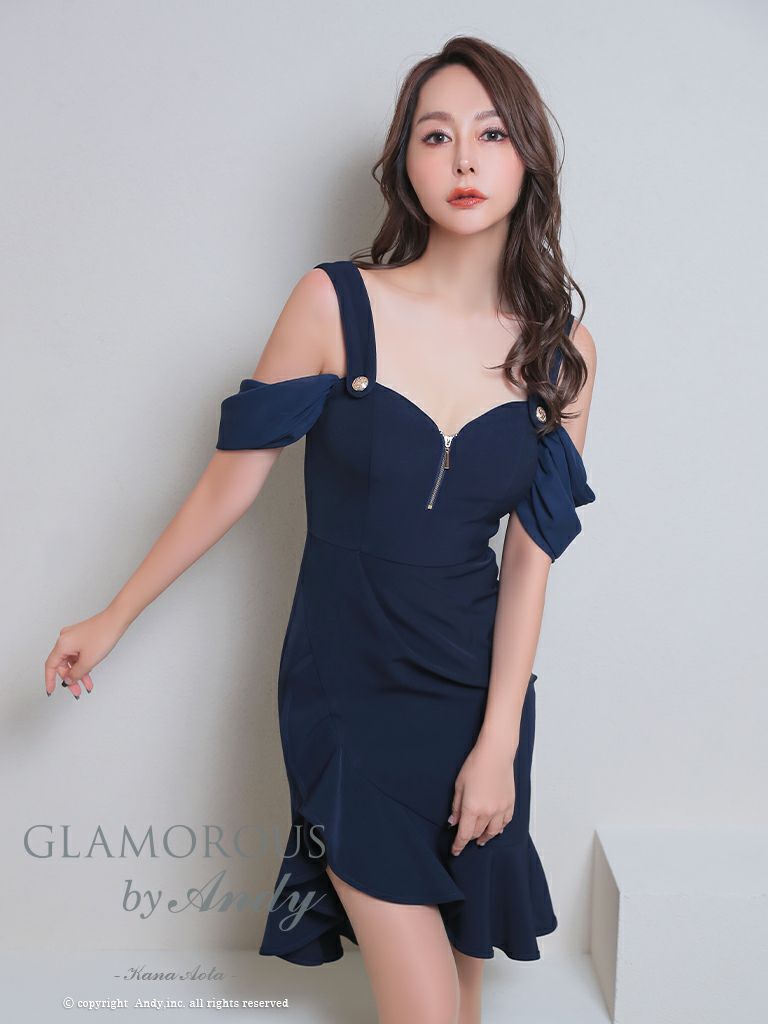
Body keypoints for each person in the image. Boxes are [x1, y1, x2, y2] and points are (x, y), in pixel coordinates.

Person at [44, 35, 596, 1024]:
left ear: (528, 161)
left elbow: (529, 564)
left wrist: (498, 741)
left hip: (478, 697)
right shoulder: (334, 303)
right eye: (437, 135)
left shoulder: (562, 355)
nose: (464, 160)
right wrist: (114, 614)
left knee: (462, 998)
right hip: (350, 686)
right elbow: (226, 489)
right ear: (405, 163)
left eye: (491, 134)